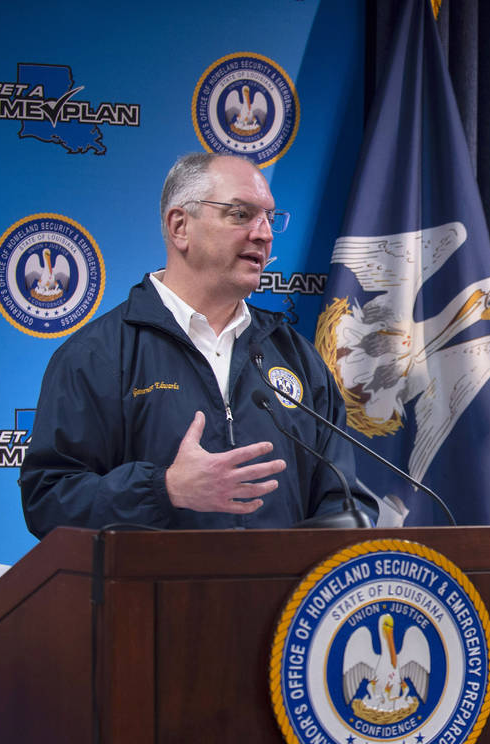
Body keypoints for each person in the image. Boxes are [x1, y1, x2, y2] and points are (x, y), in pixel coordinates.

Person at [19, 152, 376, 537]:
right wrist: (164, 490)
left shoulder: (297, 357)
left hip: (283, 596)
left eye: (270, 218)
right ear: (180, 227)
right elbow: (48, 500)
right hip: (150, 596)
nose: (264, 233)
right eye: (241, 214)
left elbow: (342, 497)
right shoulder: (98, 354)